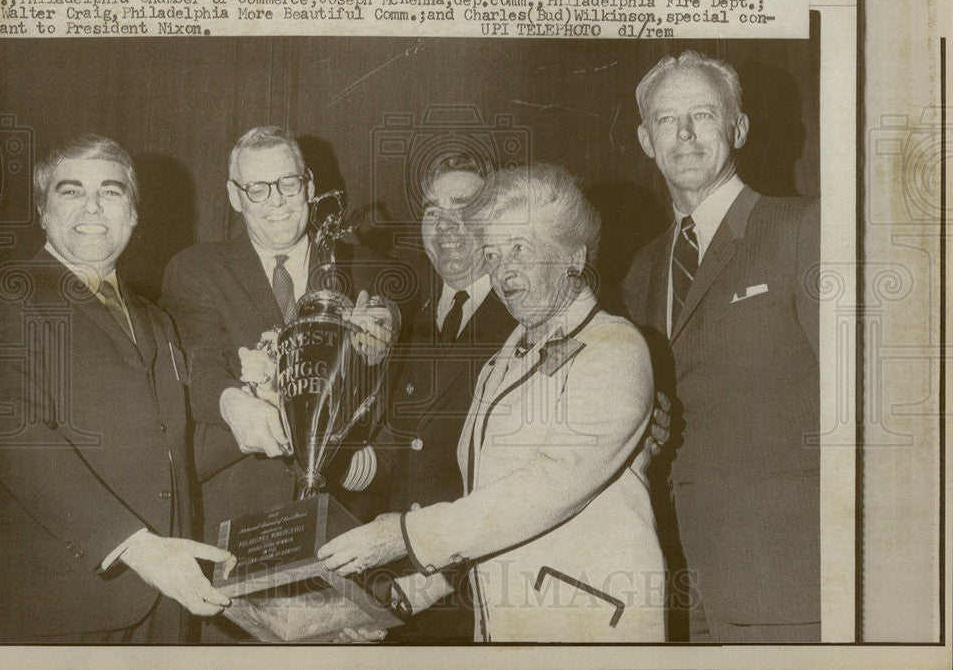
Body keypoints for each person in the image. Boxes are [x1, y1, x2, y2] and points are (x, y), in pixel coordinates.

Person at [319, 164, 665, 642]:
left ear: (573, 255)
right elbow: (487, 507)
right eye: (494, 253)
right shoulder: (506, 361)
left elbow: (546, 487)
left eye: (520, 249)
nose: (504, 269)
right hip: (503, 625)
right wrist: (400, 599)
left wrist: (405, 534)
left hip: (583, 622)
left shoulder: (615, 347)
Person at [0, 135, 235, 643]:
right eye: (71, 192)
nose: (93, 206)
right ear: (43, 211)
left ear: (133, 214)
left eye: (111, 192)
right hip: (59, 612)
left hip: (164, 607)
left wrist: (266, 427)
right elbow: (12, 437)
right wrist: (136, 547)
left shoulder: (155, 319)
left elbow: (173, 451)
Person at [622, 51, 820, 642]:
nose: (683, 134)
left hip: (790, 574)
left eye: (703, 115)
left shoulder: (802, 229)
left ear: (739, 128)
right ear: (644, 138)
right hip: (684, 578)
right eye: (665, 119)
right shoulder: (643, 267)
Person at [337, 152, 516, 642]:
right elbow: (392, 452)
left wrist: (431, 582)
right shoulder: (401, 317)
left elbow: (527, 483)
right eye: (433, 211)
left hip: (472, 592)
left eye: (465, 208)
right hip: (387, 581)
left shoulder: (525, 318)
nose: (446, 224)